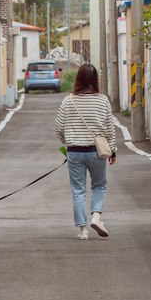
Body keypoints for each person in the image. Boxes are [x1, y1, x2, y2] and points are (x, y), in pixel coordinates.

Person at [54, 63, 117, 240]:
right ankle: (96, 217)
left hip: (74, 152)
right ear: (95, 79)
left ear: (78, 79)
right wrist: (112, 151)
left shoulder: (68, 100)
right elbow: (110, 129)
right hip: (96, 152)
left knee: (78, 190)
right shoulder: (102, 100)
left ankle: (83, 231)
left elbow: (58, 128)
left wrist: (69, 143)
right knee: (99, 185)